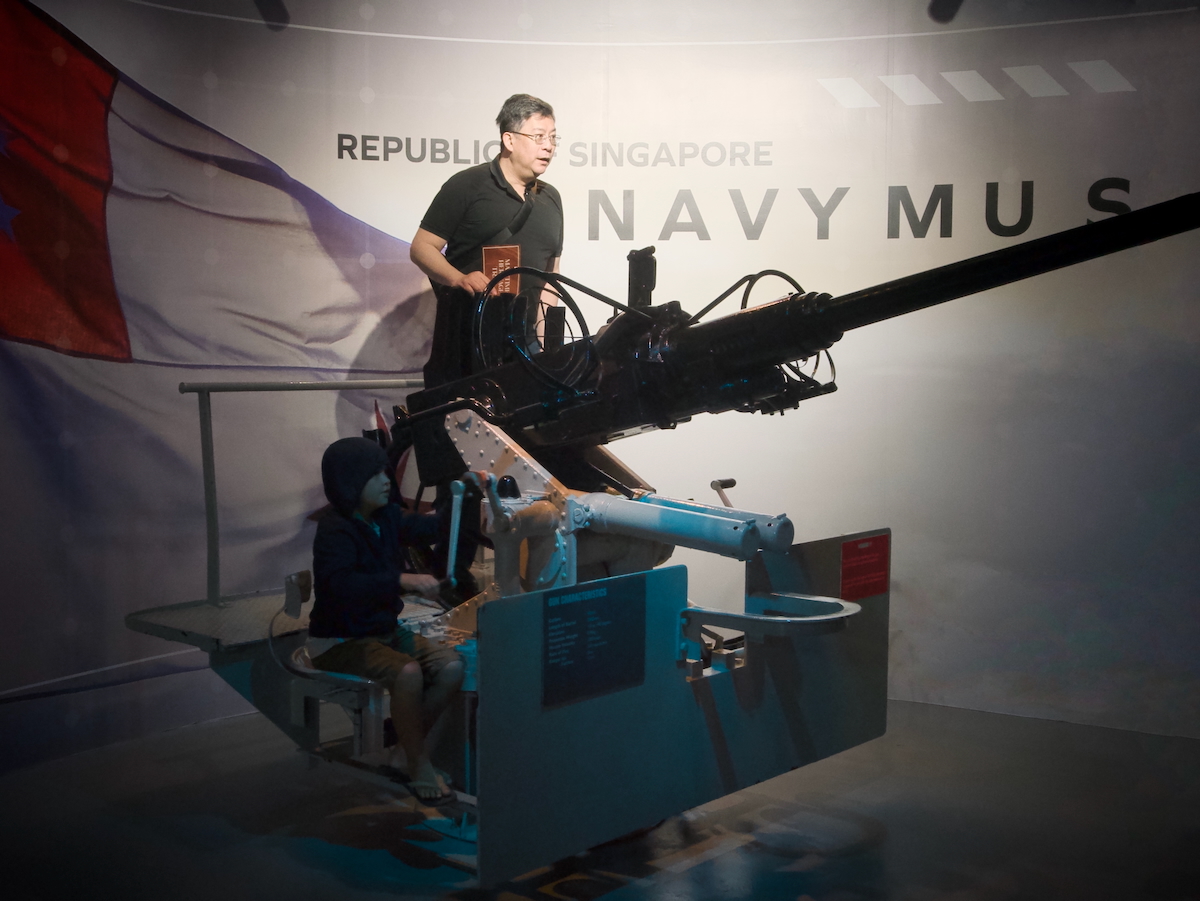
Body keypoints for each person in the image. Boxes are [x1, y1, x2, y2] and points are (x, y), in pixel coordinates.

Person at [308, 436, 463, 803]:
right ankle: (418, 765)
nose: (386, 480)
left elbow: (433, 528)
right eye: (376, 474)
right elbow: (340, 584)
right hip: (340, 640)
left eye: (385, 472)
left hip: (382, 632)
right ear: (350, 481)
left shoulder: (386, 517)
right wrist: (400, 579)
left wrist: (466, 494)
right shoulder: (334, 530)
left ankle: (403, 753)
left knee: (451, 668)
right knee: (407, 673)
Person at [410, 93, 563, 387]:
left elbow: (550, 276)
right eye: (538, 136)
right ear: (509, 140)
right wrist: (458, 278)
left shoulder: (551, 198)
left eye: (553, 137)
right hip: (464, 342)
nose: (548, 146)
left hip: (524, 348)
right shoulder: (467, 185)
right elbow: (421, 248)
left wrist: (544, 349)